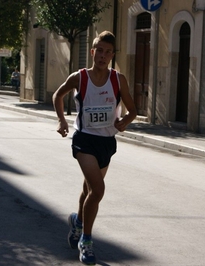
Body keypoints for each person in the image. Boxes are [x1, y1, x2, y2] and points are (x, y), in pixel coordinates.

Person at [53, 31, 137, 265]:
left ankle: (77, 223)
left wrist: (125, 122)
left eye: (108, 52)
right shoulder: (79, 77)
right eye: (99, 50)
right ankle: (86, 241)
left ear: (112, 55)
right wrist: (61, 120)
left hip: (106, 143)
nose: (103, 55)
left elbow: (133, 110)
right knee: (98, 191)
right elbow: (58, 95)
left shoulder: (118, 79)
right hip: (85, 141)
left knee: (89, 190)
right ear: (92, 52)